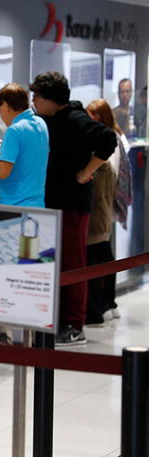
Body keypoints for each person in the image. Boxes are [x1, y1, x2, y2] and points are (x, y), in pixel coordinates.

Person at [29, 71, 117, 346]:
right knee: (47, 265)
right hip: (49, 203)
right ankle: (54, 319)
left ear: (51, 99)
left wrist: (85, 172)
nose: (34, 101)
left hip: (72, 205)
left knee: (72, 265)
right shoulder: (46, 120)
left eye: (37, 96)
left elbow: (108, 140)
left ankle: (73, 324)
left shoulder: (78, 120)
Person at [84, 99, 133, 326]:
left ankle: (103, 305)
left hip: (102, 205)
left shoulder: (107, 139)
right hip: (105, 206)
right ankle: (108, 304)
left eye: (92, 115)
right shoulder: (113, 136)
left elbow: (108, 172)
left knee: (99, 256)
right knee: (105, 254)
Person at [0, 82, 49, 207]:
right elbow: (29, 151)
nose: (0, 115)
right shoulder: (40, 123)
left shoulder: (14, 131)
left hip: (13, 208)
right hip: (37, 205)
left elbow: (3, 172)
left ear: (6, 105)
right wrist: (6, 145)